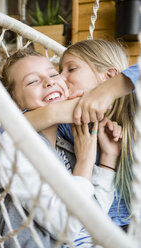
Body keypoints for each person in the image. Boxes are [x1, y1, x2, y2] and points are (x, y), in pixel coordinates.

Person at [0, 47, 121, 247]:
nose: (50, 81)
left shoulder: (66, 144)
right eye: (32, 81)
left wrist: (109, 158)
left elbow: (93, 216)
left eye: (53, 74)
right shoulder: (14, 148)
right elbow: (66, 225)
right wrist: (85, 161)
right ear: (14, 103)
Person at [23, 39, 137, 231]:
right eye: (60, 70)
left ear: (108, 75)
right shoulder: (69, 124)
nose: (61, 78)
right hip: (100, 227)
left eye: (71, 69)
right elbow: (6, 126)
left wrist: (111, 88)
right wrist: (56, 112)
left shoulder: (136, 113)